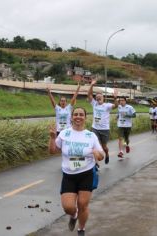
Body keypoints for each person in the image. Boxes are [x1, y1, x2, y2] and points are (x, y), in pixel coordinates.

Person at [49, 107, 104, 236]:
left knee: (83, 204)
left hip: (86, 174)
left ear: (85, 117)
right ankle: (74, 215)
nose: (78, 117)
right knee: (68, 207)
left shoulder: (91, 136)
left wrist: (97, 153)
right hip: (69, 175)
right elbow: (52, 151)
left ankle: (81, 229)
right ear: (71, 117)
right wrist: (52, 138)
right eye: (75, 114)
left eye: (81, 114)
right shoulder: (64, 134)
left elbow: (101, 156)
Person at [87, 79, 118, 164]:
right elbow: (89, 94)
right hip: (95, 128)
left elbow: (115, 106)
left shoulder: (107, 106)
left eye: (100, 96)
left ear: (103, 98)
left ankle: (107, 154)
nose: (98, 98)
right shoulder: (94, 104)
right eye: (97, 97)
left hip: (104, 129)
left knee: (104, 147)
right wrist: (92, 85)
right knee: (94, 145)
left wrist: (115, 98)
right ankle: (95, 163)